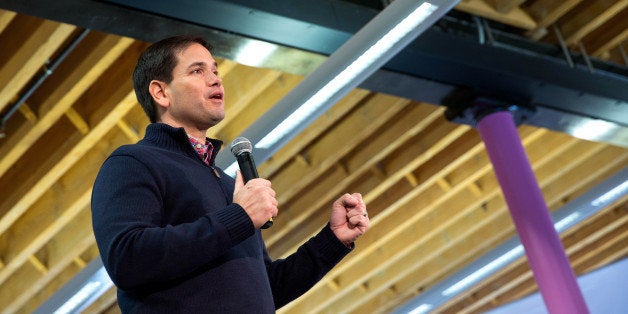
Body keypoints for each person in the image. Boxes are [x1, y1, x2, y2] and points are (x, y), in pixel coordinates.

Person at [91, 35, 370, 313]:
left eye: (215, 70)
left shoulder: (227, 184)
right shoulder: (133, 162)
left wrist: (333, 240)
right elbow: (128, 260)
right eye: (197, 71)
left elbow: (264, 289)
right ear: (161, 92)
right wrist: (240, 217)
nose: (215, 79)